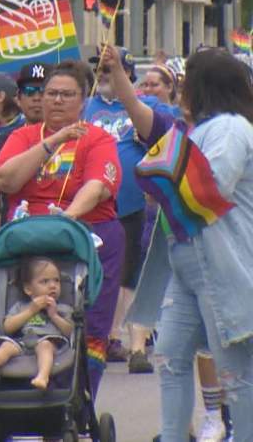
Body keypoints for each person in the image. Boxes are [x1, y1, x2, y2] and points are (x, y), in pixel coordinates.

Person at [105, 46, 253, 442]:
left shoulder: (232, 128)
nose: (181, 90)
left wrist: (162, 174)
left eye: (187, 83)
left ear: (206, 87)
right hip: (184, 264)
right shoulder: (194, 130)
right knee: (169, 356)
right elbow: (142, 117)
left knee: (234, 370)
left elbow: (212, 186)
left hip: (220, 262)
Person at [0, 61, 121, 398]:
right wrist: (54, 141)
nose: (57, 100)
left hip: (86, 237)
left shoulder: (98, 138)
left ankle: (79, 402)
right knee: (20, 319)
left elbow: (98, 186)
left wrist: (66, 220)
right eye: (51, 93)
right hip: (27, 240)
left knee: (88, 328)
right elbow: (5, 179)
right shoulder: (22, 136)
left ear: (83, 100)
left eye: (67, 94)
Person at [85, 47, 171, 373]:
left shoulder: (145, 107)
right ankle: (104, 337)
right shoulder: (86, 107)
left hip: (135, 205)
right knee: (100, 275)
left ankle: (135, 345)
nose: (103, 75)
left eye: (111, 70)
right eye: (100, 70)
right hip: (94, 207)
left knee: (134, 275)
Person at [0, 63, 47, 236]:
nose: (37, 97)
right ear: (18, 99)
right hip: (13, 239)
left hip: (64, 238)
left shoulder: (81, 139)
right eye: (29, 91)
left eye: (43, 91)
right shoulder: (1, 143)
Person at [0, 257, 74, 391]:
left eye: (57, 280)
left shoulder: (62, 309)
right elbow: (7, 327)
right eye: (45, 281)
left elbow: (69, 331)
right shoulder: (21, 306)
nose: (52, 285)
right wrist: (31, 310)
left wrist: (54, 315)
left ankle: (43, 376)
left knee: (45, 347)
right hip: (22, 341)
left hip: (50, 342)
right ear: (28, 289)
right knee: (7, 346)